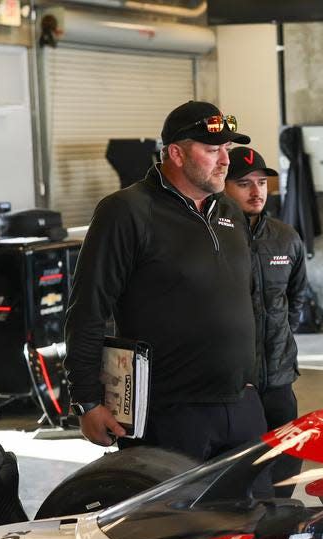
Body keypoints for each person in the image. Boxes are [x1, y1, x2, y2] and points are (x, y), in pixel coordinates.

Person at [65, 100, 266, 462]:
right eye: (211, 150)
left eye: (227, 149)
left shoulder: (229, 211)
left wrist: (253, 377)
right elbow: (88, 308)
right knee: (173, 520)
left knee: (251, 517)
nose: (225, 160)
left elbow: (247, 298)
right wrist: (87, 400)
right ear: (176, 153)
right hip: (170, 412)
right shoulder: (127, 211)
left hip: (241, 404)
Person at [223, 146, 308, 434]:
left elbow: (296, 297)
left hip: (279, 377)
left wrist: (282, 334)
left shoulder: (286, 237)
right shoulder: (212, 237)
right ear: (222, 185)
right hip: (231, 384)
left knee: (284, 463)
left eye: (261, 182)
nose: (256, 191)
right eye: (243, 183)